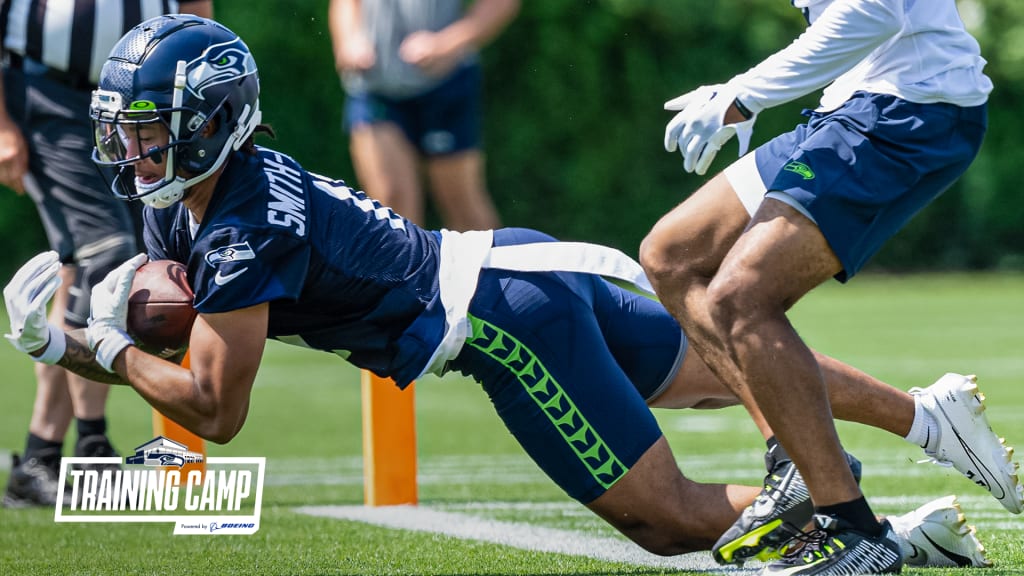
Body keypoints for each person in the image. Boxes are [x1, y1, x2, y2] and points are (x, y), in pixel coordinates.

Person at [0, 15, 1010, 570]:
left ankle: (855, 540)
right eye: (120, 130)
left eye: (143, 130)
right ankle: (924, 428)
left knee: (665, 519)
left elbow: (216, 411)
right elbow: (198, 343)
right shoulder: (201, 195)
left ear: (209, 121)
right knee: (729, 366)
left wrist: (84, 344)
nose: (126, 151)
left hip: (498, 321)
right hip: (515, 265)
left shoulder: (240, 225)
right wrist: (125, 314)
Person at [640, 1, 1021, 574]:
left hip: (908, 110)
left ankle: (853, 530)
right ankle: (793, 462)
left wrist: (745, 94)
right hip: (853, 105)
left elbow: (872, 11)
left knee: (740, 299)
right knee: (672, 255)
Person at [0, 0, 213, 508]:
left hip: (144, 108)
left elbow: (197, 15)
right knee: (108, 254)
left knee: (93, 262)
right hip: (46, 97)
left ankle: (43, 455)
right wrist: (4, 126)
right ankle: (86, 448)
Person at [327, 0, 517, 231]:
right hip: (374, 87)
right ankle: (408, 268)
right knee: (392, 209)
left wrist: (445, 44)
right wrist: (348, 40)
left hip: (445, 84)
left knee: (462, 207)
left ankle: (495, 267)